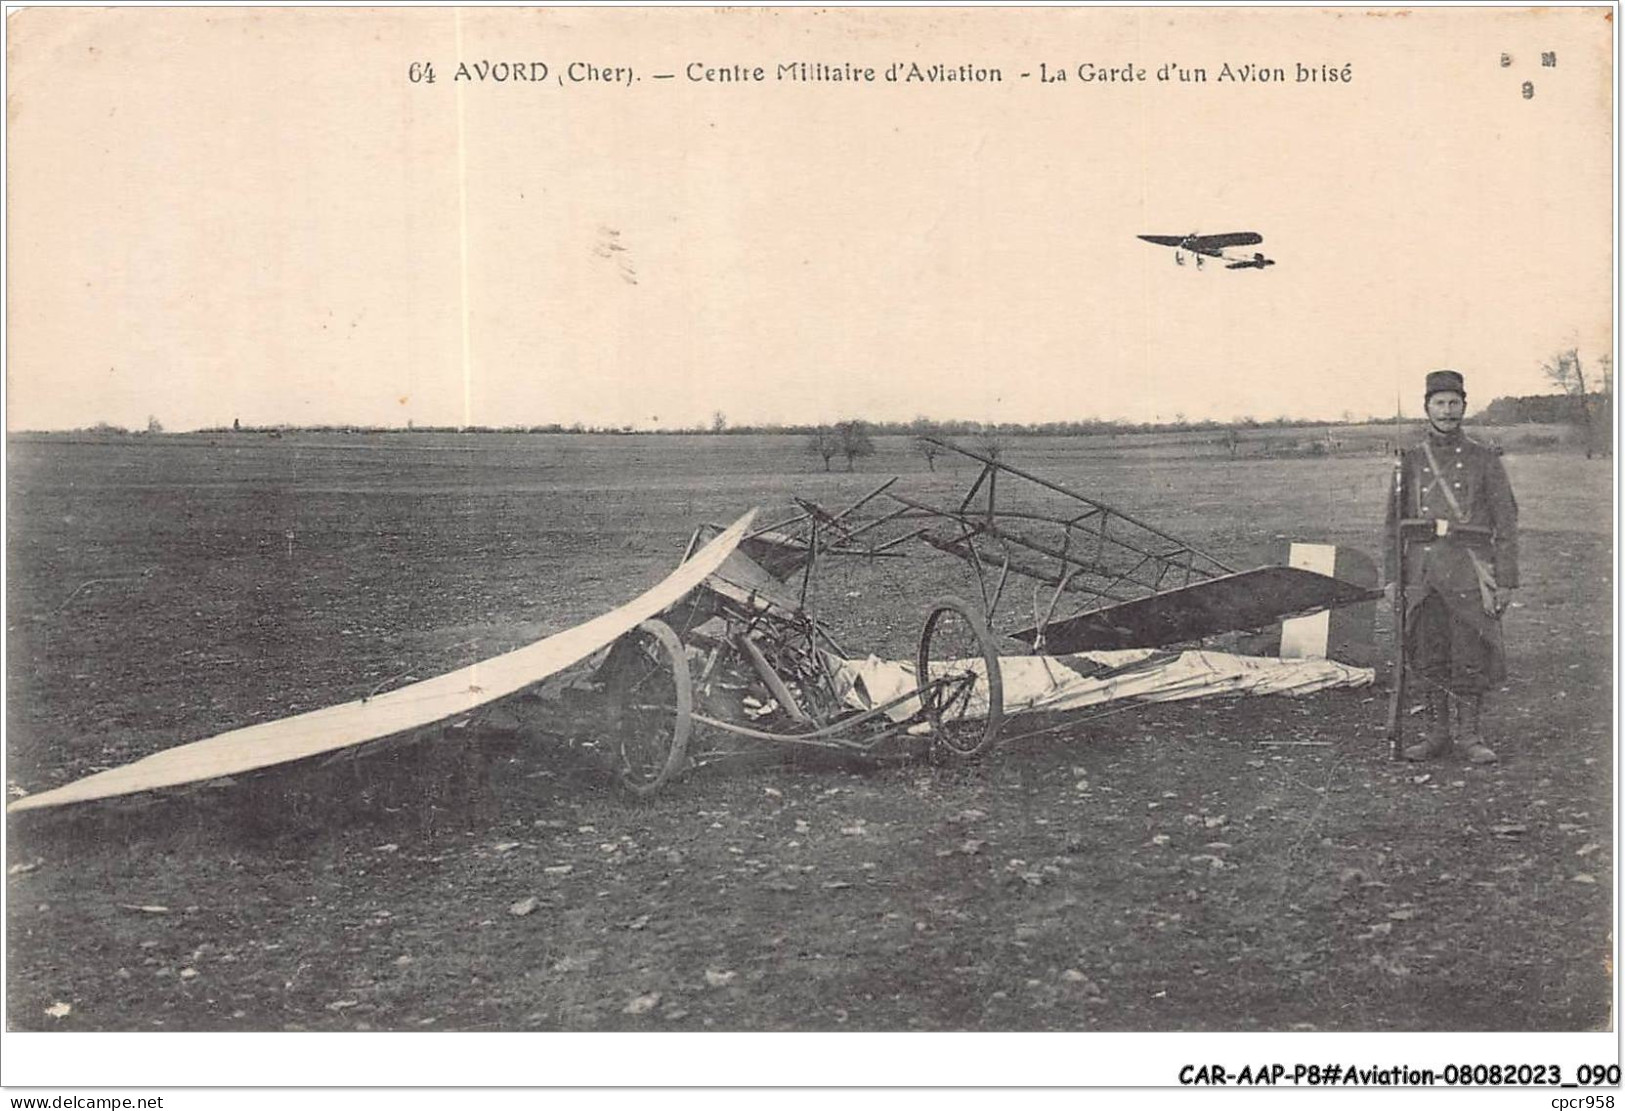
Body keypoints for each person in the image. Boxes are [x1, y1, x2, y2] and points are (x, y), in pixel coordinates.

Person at [1384, 370, 1519, 763]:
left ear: (1464, 405)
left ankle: (1469, 736)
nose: (1447, 411)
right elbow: (1393, 525)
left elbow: (1506, 523)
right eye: (1439, 403)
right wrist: (1394, 577)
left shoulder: (1484, 459)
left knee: (1470, 653)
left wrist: (1506, 580)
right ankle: (1437, 734)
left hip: (1468, 569)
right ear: (1426, 408)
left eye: (1454, 403)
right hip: (1423, 573)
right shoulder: (1408, 461)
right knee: (1429, 655)